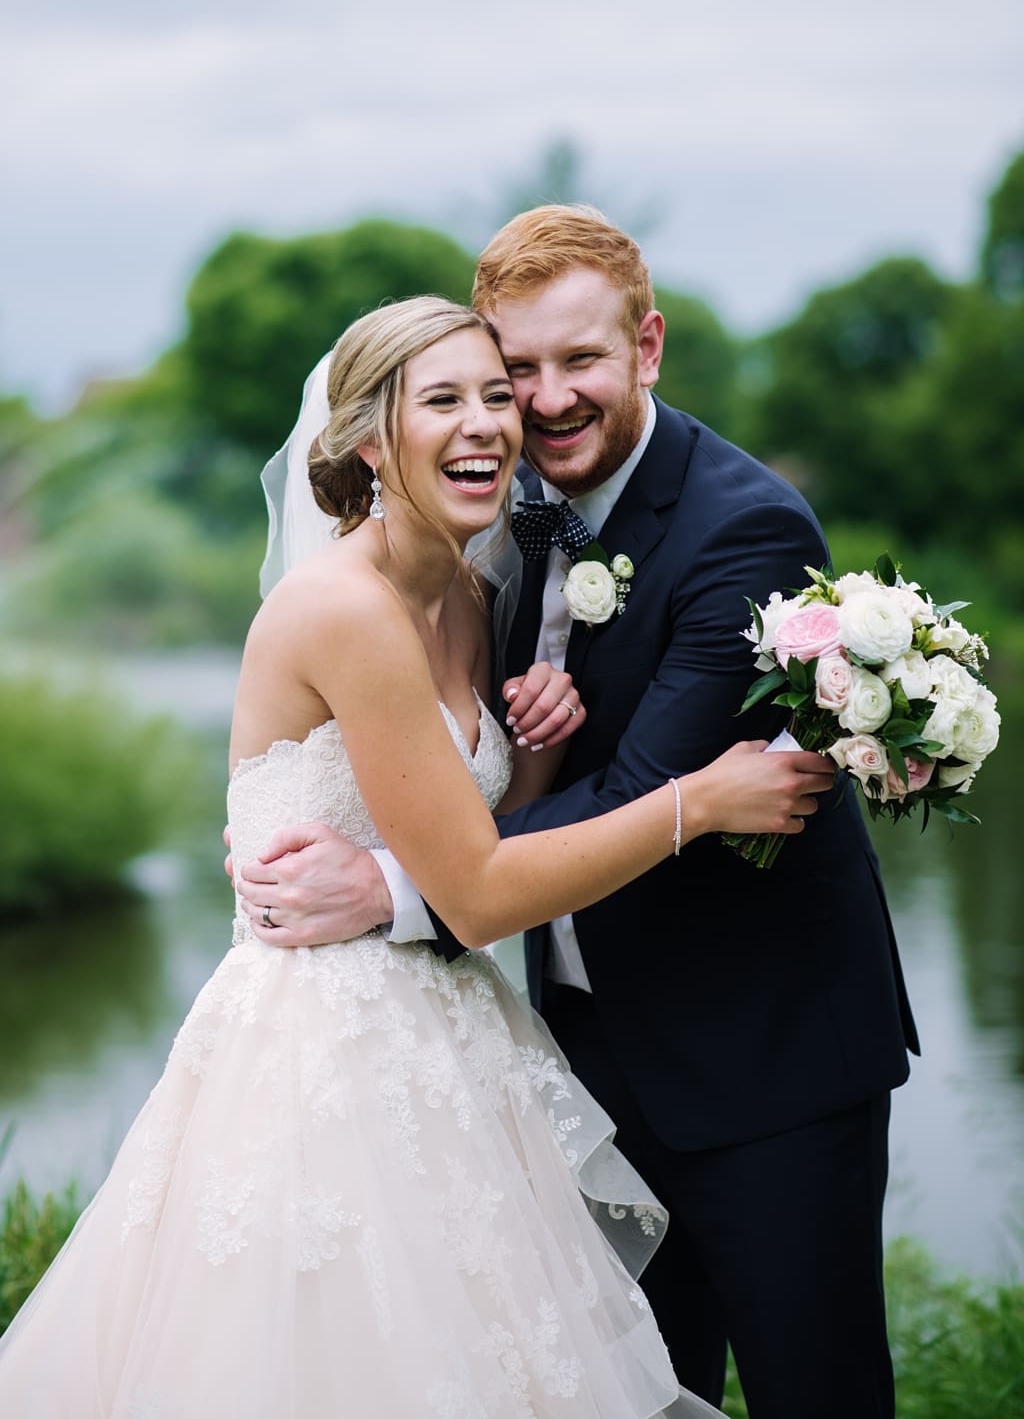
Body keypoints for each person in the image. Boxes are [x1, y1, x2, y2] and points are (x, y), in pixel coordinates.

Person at [0, 296, 833, 1419]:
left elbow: (474, 822)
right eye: (442, 399)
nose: (488, 422)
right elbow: (480, 894)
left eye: (495, 395)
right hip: (326, 1057)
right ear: (361, 442)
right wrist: (700, 799)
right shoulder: (345, 611)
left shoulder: (470, 592)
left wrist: (534, 743)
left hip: (450, 1035)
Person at [234, 211, 920, 1419]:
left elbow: (638, 783)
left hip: (759, 1060)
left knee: (817, 1390)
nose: (540, 402)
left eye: (579, 362)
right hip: (573, 1064)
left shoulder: (739, 527)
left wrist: (399, 888)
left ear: (646, 347)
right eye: (514, 371)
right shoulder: (480, 524)